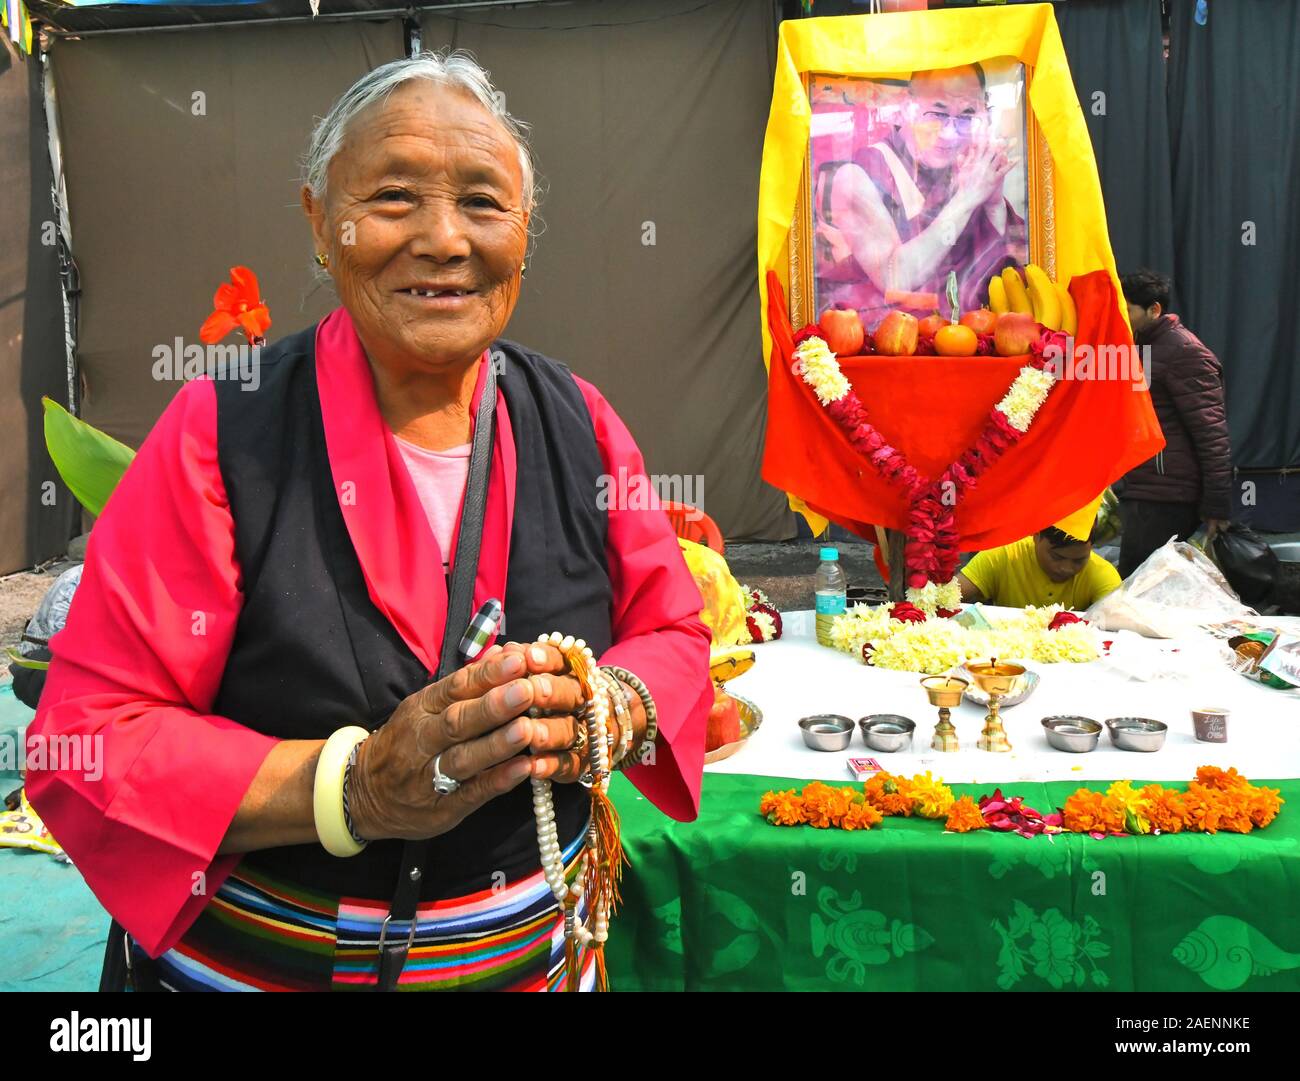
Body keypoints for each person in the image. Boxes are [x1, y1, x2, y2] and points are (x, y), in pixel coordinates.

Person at [25, 51, 712, 992]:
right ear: (319, 222)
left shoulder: (581, 423)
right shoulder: (225, 428)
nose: (443, 238)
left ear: (525, 233)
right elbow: (91, 733)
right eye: (393, 197)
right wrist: (352, 788)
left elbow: (672, 630)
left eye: (482, 202)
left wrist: (606, 708)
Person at [814, 63, 1025, 328]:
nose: (949, 133)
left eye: (967, 115)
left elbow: (1006, 272)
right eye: (936, 114)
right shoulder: (855, 176)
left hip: (957, 344)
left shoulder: (963, 169)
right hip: (872, 346)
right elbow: (895, 278)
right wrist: (968, 198)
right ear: (906, 108)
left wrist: (993, 201)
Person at [1116, 269, 1232, 577]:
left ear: (1154, 309)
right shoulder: (1138, 345)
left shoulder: (1185, 351)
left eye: (1126, 310)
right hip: (1144, 488)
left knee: (1144, 590)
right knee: (1137, 588)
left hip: (1168, 496)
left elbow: (1212, 435)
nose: (1121, 317)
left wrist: (1217, 505)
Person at [959, 526, 1121, 610]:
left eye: (1079, 560)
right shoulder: (1004, 555)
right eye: (1057, 557)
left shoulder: (1101, 573)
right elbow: (948, 596)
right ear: (1036, 536)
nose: (1066, 568)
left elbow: (1120, 622)